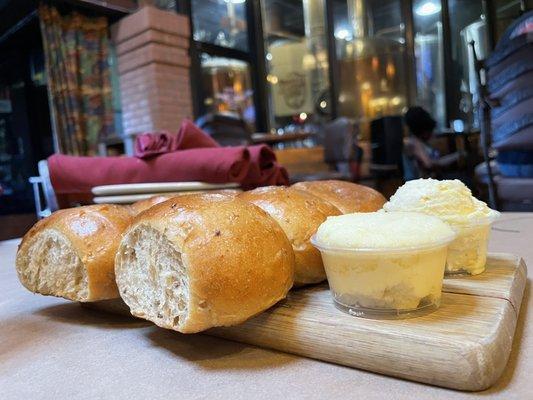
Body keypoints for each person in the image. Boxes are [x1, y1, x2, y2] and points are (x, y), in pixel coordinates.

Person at [402, 106, 463, 181]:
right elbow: (429, 164)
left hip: (429, 180)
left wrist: (457, 155)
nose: (431, 133)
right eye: (429, 130)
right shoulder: (413, 142)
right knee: (463, 180)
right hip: (420, 185)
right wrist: (456, 156)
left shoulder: (419, 141)